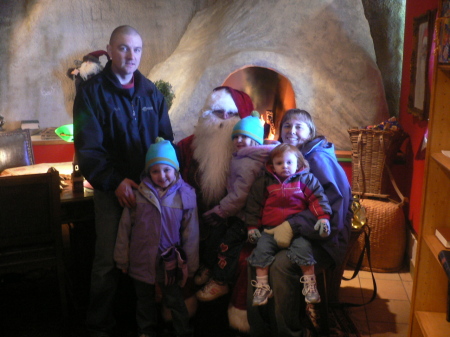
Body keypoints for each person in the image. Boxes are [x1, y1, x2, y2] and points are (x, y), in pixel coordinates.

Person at [73, 25, 174, 337]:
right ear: (109, 49)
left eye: (137, 49)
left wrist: (160, 179)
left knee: (148, 256)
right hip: (111, 191)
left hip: (148, 190)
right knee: (106, 262)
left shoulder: (151, 93)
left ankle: (146, 323)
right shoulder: (91, 94)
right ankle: (98, 325)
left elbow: (164, 140)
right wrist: (116, 182)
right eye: (123, 48)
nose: (131, 56)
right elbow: (89, 150)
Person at [247, 109, 352, 337]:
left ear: (310, 131)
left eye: (298, 126)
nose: (291, 131)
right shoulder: (285, 158)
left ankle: (289, 332)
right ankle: (263, 328)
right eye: (286, 126)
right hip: (294, 233)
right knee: (256, 258)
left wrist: (292, 226)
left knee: (282, 264)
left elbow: (333, 214)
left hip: (324, 238)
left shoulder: (318, 159)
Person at [114, 138, 199, 337]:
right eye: (155, 171)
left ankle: (183, 330)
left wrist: (192, 266)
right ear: (148, 172)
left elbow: (191, 233)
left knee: (175, 299)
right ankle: (146, 331)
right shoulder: (139, 194)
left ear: (175, 170)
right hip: (141, 258)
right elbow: (125, 229)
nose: (161, 176)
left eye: (167, 170)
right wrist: (122, 258)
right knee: (144, 301)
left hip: (169, 262)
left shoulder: (185, 196)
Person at [195, 111, 277, 302]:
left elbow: (241, 195)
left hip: (246, 217)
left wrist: (221, 210)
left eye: (245, 137)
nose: (239, 140)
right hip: (236, 212)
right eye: (236, 136)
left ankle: (221, 281)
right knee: (214, 234)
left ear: (255, 141)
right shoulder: (242, 157)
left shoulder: (250, 163)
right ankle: (209, 266)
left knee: (228, 244)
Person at [246, 143, 331, 307]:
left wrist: (323, 217)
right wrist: (252, 227)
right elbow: (254, 205)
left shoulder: (306, 180)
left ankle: (310, 284)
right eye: (279, 163)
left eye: (289, 162)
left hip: (297, 231)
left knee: (304, 250)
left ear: (298, 163)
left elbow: (317, 199)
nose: (285, 166)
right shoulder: (264, 182)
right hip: (269, 230)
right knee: (260, 252)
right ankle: (263, 287)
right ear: (272, 166)